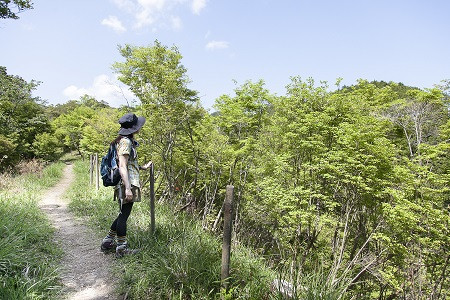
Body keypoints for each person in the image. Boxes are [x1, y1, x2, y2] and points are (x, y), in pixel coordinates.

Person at [100, 113, 152, 258]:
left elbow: (128, 163)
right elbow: (122, 166)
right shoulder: (126, 142)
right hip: (126, 183)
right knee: (124, 215)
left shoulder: (123, 141)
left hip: (126, 181)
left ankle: (108, 242)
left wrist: (142, 167)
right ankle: (121, 248)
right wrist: (128, 188)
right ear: (132, 128)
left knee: (123, 213)